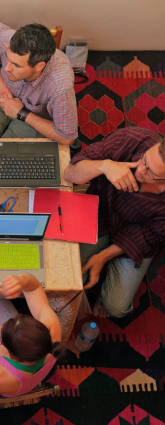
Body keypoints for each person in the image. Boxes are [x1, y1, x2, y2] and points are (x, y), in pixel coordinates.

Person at [63, 128, 165, 318]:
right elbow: (70, 173)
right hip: (100, 210)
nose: (140, 170)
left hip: (137, 235)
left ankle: (104, 298)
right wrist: (104, 165)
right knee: (71, 277)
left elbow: (149, 235)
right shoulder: (129, 139)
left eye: (151, 172)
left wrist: (103, 256)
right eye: (144, 159)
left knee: (115, 308)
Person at [0, 20, 77, 145]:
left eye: (16, 65)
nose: (6, 68)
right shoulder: (8, 39)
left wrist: (21, 113)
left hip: (33, 116)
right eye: (7, 57)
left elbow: (66, 137)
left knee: (7, 157)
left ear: (39, 66)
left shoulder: (61, 87)